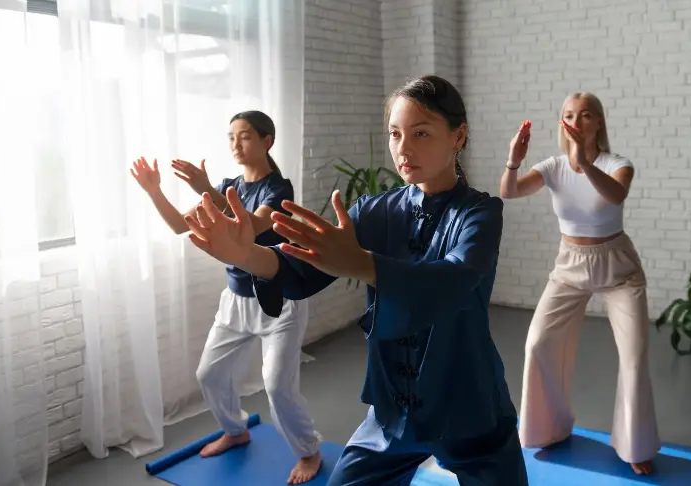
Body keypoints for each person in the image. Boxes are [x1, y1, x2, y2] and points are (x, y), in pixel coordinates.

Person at [183, 75, 529, 486]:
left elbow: (452, 280)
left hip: (469, 407)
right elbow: (302, 269)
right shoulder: (374, 210)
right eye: (395, 134)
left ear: (459, 136)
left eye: (421, 133)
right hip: (393, 412)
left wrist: (364, 264)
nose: (404, 147)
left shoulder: (480, 213)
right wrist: (249, 255)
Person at [129, 110, 322, 485]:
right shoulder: (229, 184)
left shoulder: (278, 189)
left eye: (245, 136)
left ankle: (308, 450)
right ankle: (235, 430)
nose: (236, 144)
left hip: (278, 301)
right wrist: (154, 190)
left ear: (267, 141)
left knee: (277, 386)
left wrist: (206, 190)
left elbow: (247, 227)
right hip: (236, 301)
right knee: (210, 374)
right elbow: (177, 225)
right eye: (231, 137)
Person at [499, 93, 660, 475]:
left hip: (618, 268)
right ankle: (548, 430)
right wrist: (514, 160)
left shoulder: (618, 165)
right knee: (538, 342)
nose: (577, 120)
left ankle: (634, 446)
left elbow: (615, 195)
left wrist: (586, 164)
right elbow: (509, 191)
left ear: (599, 123)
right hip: (570, 266)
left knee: (634, 356)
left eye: (586, 114)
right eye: (569, 114)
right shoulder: (553, 167)